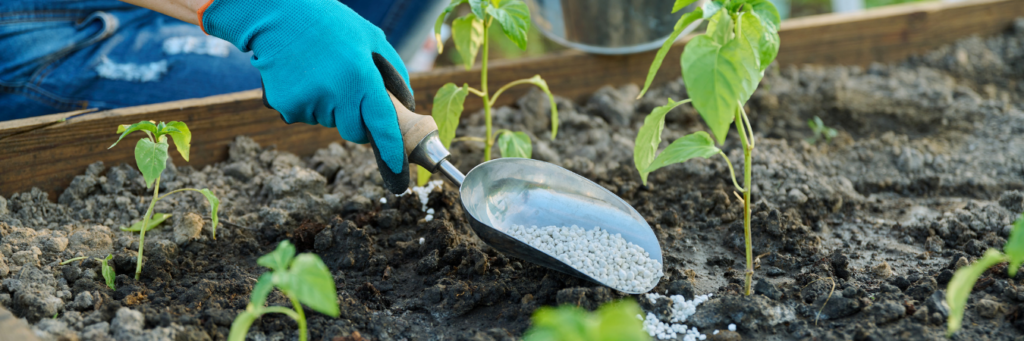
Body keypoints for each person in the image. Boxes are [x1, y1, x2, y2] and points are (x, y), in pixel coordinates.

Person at [1, 0, 440, 192]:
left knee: (329, 64)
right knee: (272, 91)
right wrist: (261, 7)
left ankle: (344, 61)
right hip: (38, 28)